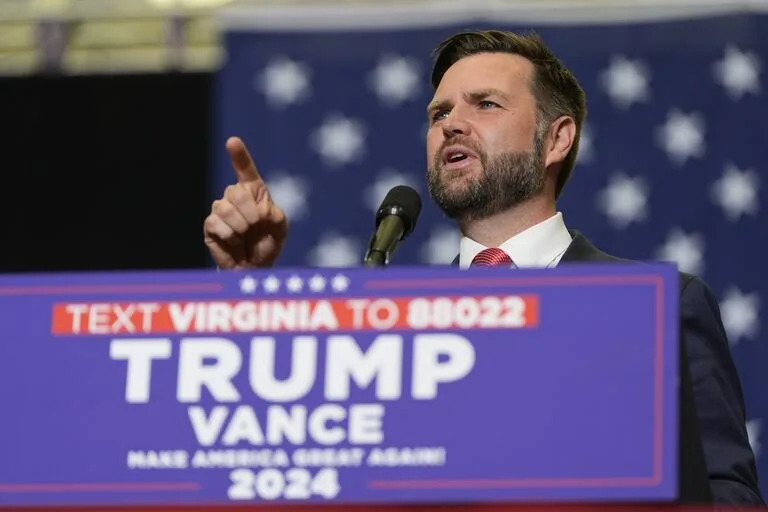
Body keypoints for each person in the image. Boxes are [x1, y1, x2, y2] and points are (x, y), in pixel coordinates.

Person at [203, 29, 763, 505]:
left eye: (486, 105)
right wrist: (249, 290)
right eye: (439, 112)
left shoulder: (656, 309)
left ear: (556, 139)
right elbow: (298, 461)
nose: (451, 124)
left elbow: (726, 496)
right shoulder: (395, 327)